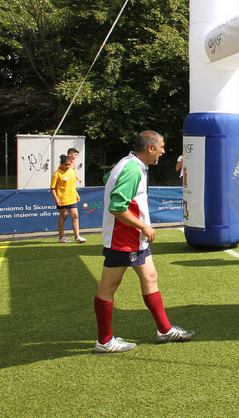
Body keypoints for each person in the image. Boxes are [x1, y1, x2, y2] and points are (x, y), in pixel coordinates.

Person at [93, 131, 194, 353]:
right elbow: (117, 207)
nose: (164, 151)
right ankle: (104, 341)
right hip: (124, 238)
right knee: (109, 286)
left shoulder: (127, 163)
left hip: (132, 238)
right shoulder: (131, 168)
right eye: (161, 147)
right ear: (150, 148)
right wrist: (144, 226)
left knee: (150, 277)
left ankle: (165, 330)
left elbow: (107, 179)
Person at [50, 154, 87, 243]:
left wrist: (76, 194)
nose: (68, 166)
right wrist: (56, 199)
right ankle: (61, 237)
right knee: (63, 216)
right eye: (66, 165)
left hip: (72, 198)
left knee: (75, 215)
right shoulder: (57, 174)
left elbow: (72, 184)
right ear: (61, 164)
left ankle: (77, 236)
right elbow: (52, 188)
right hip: (62, 199)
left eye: (69, 165)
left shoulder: (71, 171)